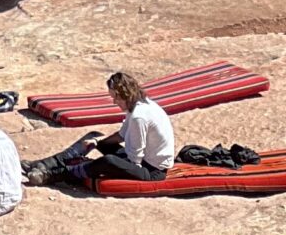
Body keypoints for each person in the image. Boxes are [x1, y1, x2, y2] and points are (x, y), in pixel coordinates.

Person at [28, 72, 176, 188]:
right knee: (96, 138)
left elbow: (135, 156)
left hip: (151, 171)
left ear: (125, 95)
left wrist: (119, 165)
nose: (114, 102)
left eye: (116, 98)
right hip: (141, 160)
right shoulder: (137, 107)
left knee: (108, 161)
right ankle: (48, 163)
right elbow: (121, 135)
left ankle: (53, 175)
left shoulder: (139, 116)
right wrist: (98, 142)